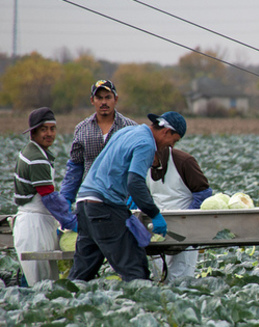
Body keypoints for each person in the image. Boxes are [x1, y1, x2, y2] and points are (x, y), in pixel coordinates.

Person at [67, 111, 185, 282]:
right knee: (134, 268)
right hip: (104, 207)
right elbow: (135, 182)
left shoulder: (127, 132)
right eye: (173, 141)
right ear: (166, 131)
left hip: (85, 204)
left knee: (83, 270)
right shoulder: (146, 144)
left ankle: (64, 304)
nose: (171, 147)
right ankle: (140, 305)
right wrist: (154, 213)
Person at [13, 107, 77, 286]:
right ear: (33, 132)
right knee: (39, 283)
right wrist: (70, 221)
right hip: (34, 226)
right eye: (44, 129)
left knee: (41, 279)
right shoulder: (36, 158)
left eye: (52, 128)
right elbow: (49, 196)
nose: (49, 134)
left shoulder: (36, 152)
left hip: (38, 222)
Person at [60, 79, 136, 207]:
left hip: (122, 202)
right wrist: (66, 197)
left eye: (108, 97)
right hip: (90, 201)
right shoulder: (82, 129)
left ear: (116, 99)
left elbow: (138, 165)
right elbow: (75, 167)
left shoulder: (130, 128)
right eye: (99, 98)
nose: (104, 102)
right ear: (92, 100)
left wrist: (137, 195)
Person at [145, 144, 213, 282]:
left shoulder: (184, 161)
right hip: (157, 227)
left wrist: (187, 220)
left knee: (181, 279)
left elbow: (204, 193)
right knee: (160, 277)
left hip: (184, 231)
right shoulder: (143, 165)